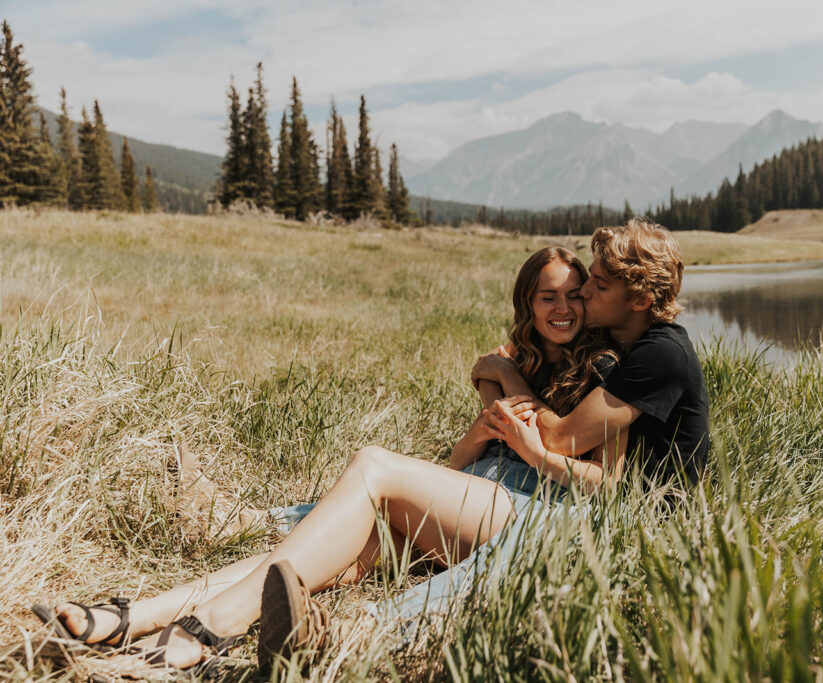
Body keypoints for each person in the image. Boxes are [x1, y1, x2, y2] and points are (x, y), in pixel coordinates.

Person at [31, 246, 625, 673]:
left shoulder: (606, 370)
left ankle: (205, 630)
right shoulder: (520, 359)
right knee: (308, 554)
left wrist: (507, 391)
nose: (564, 307)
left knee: (372, 464)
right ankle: (132, 618)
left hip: (532, 512)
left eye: (576, 295)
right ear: (528, 301)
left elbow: (596, 474)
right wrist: (489, 405)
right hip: (472, 500)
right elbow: (462, 463)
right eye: (549, 296)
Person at [473, 217, 710, 491]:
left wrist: (507, 375)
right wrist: (495, 397)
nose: (584, 291)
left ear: (639, 301)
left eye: (600, 285)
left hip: (647, 516)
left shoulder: (663, 355)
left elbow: (559, 438)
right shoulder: (612, 331)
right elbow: (488, 362)